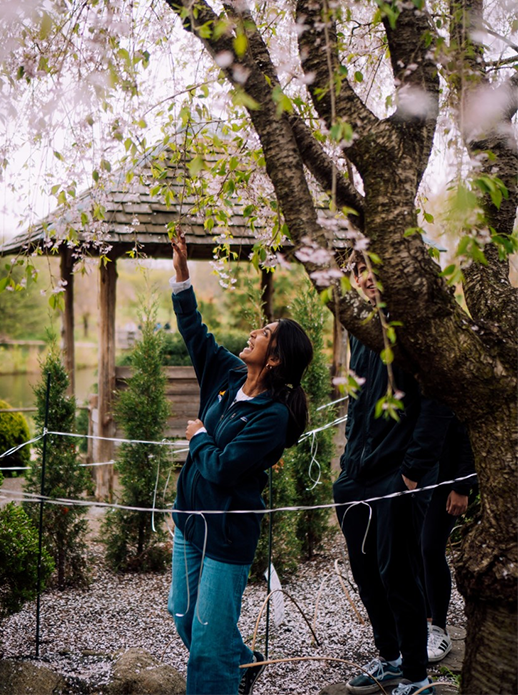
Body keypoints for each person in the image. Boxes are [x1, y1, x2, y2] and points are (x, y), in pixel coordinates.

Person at [166, 232, 312, 695]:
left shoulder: (271, 418)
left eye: (264, 334)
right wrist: (183, 275)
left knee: (208, 648)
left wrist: (200, 436)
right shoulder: (229, 375)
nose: (254, 333)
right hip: (191, 520)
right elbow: (196, 334)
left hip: (227, 533)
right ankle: (245, 664)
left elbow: (224, 468)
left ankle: (225, 675)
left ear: (276, 358)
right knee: (184, 617)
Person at [333, 263, 450, 695]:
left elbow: (438, 405)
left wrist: (412, 473)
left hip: (396, 480)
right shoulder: (361, 332)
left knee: (398, 576)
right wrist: (349, 463)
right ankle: (390, 658)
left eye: (376, 269)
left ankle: (418, 678)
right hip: (355, 477)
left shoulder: (415, 335)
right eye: (360, 270)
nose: (367, 278)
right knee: (366, 574)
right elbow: (359, 401)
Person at [420, 417, 474, 665]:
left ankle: (438, 628)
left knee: (431, 548)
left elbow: (467, 432)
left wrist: (462, 485)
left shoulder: (449, 384)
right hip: (414, 478)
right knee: (415, 550)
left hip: (445, 480)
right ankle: (422, 621)